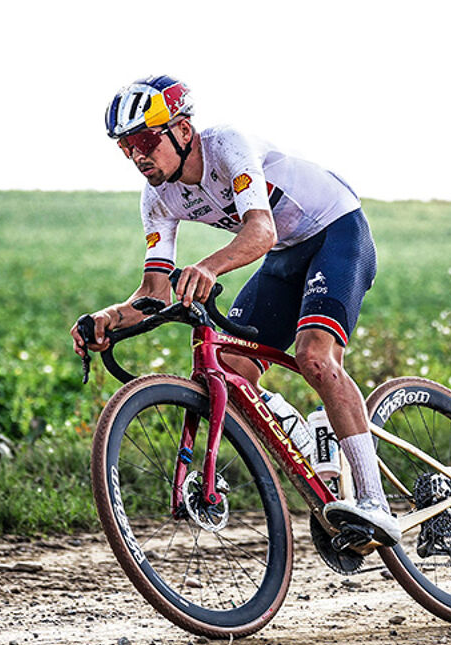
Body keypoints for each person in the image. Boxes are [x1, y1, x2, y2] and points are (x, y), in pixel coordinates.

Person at [69, 75, 398, 546]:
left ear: (183, 130)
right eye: (126, 147)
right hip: (285, 254)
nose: (137, 156)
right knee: (230, 368)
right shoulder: (157, 196)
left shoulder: (226, 146)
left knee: (314, 356)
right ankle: (308, 437)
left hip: (336, 231)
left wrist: (207, 267)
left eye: (144, 141)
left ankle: (375, 503)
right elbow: (154, 293)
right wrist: (108, 318)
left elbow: (260, 230)